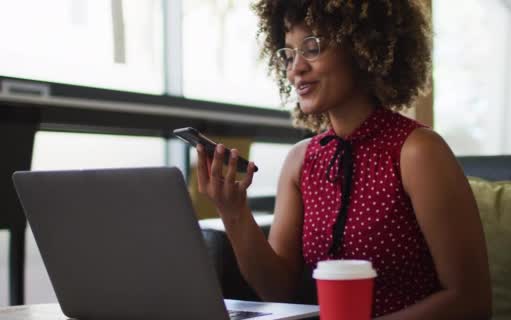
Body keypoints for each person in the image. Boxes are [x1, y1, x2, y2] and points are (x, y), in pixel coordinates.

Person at [196, 1, 492, 319]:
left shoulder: (418, 151)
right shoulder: (301, 161)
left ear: (361, 47)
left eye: (312, 48)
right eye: (288, 54)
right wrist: (234, 212)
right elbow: (278, 291)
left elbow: (470, 300)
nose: (296, 68)